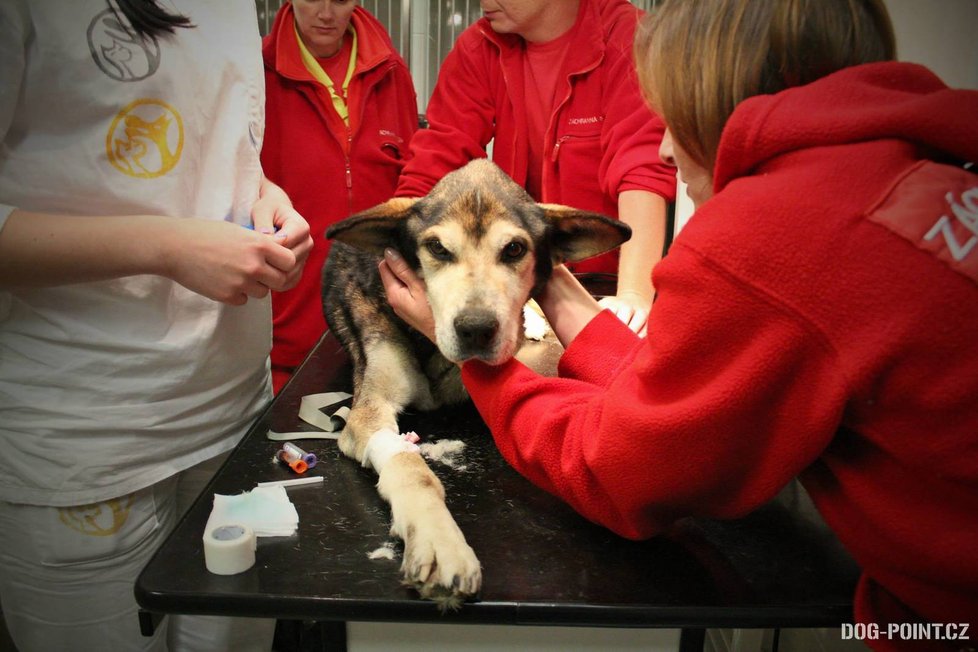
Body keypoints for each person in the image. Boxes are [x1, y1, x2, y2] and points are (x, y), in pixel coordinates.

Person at [379, 0, 978, 646]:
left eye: (670, 116)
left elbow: (619, 474)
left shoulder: (773, 233)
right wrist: (566, 305)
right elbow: (689, 393)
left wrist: (482, 364)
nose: (663, 146)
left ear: (717, 95)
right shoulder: (925, 172)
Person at [0, 1, 313, 650]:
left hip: (234, 412)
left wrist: (264, 198)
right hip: (90, 436)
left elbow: (215, 153)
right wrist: (167, 248)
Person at [395, 0, 676, 335]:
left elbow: (641, 170)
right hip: (517, 281)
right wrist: (399, 267)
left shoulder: (630, 39)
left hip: (603, 287)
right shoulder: (480, 47)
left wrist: (631, 296)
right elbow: (435, 160)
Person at [261, 0, 419, 393]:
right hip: (284, 343)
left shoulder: (392, 73)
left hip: (384, 335)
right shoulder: (255, 75)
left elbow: (412, 196)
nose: (326, 13)